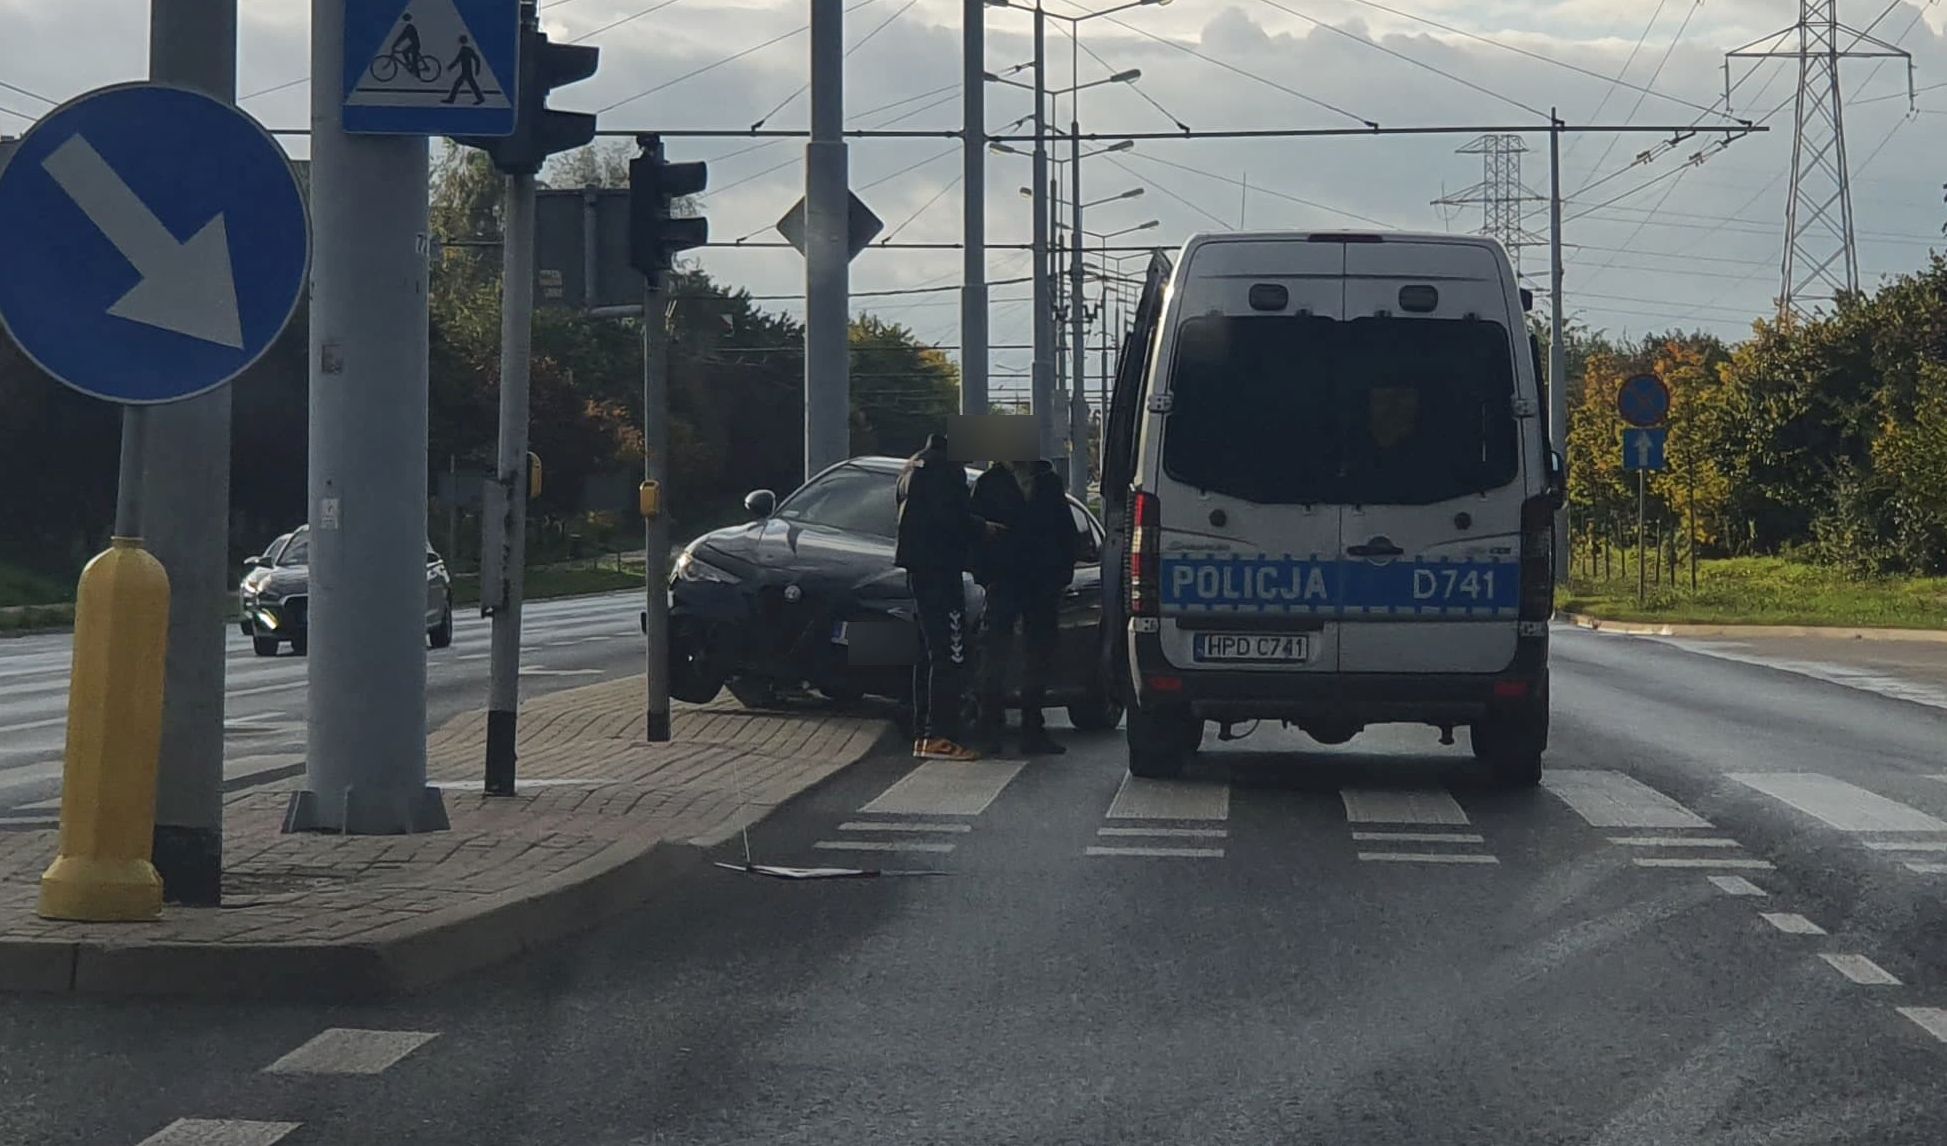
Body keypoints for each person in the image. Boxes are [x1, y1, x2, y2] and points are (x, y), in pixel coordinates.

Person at [895, 433, 999, 762]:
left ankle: (923, 733)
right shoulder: (945, 470)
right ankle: (941, 735)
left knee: (928, 653)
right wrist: (983, 528)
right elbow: (949, 518)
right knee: (950, 654)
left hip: (917, 568)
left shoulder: (913, 464)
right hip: (941, 569)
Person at [970, 456, 1077, 756]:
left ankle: (1033, 729)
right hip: (1004, 580)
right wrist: (985, 575)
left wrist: (1061, 574)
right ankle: (990, 726)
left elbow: (1065, 532)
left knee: (1039, 653)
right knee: (994, 653)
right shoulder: (989, 484)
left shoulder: (1048, 482)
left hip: (1042, 581)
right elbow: (975, 535)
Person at [444, 36, 485, 106]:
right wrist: (477, 70)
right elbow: (476, 59)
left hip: (466, 72)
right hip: (467, 71)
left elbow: (457, 60)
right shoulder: (467, 49)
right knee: (472, 85)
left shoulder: (465, 50)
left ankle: (451, 99)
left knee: (457, 84)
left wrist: (450, 67)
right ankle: (480, 98)